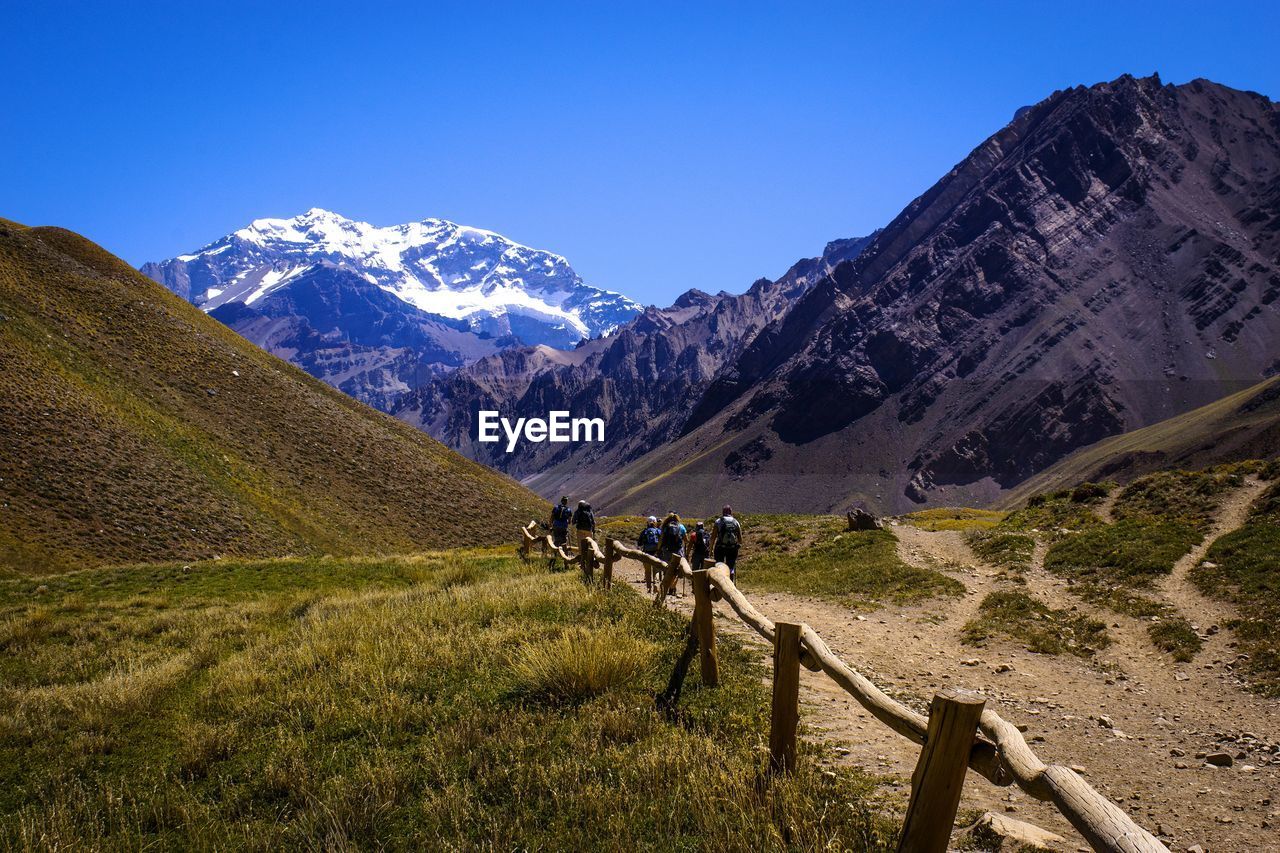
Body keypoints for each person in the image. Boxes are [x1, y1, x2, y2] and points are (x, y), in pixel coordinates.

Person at [710, 504, 742, 581]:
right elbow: (740, 539)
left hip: (720, 547)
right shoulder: (736, 522)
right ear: (731, 512)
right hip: (732, 548)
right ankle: (731, 580)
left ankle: (720, 582)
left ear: (723, 512)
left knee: (719, 565)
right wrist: (736, 546)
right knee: (731, 566)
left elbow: (713, 537)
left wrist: (711, 548)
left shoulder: (718, 521)